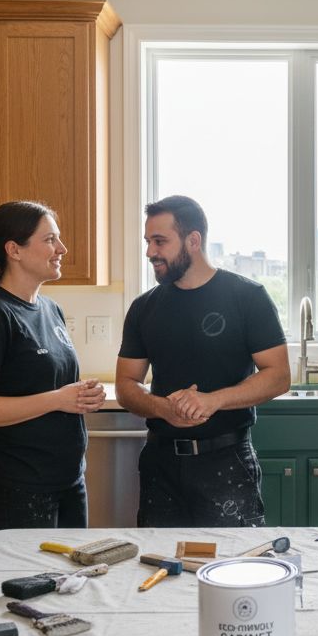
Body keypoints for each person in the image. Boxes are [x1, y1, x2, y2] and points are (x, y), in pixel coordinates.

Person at [115, 195, 290, 527]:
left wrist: (212, 401)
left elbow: (279, 375)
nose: (150, 251)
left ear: (193, 241)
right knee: (160, 567)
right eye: (148, 241)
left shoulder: (247, 297)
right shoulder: (144, 308)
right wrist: (163, 408)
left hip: (226, 461)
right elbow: (125, 385)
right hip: (160, 462)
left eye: (160, 241)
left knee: (234, 568)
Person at [0, 200, 106, 535]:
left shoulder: (50, 310)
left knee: (70, 584)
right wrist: (58, 399)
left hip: (67, 482)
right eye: (50, 240)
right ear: (14, 250)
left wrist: (81, 396)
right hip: (16, 488)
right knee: (25, 587)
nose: (62, 249)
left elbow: (49, 384)